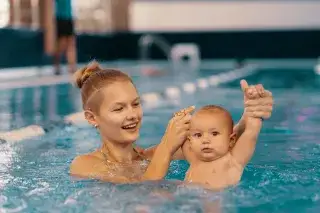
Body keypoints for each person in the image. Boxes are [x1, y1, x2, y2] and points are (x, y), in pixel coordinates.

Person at [69, 61, 274, 183]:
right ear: (91, 118)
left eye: (136, 104)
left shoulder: (151, 156)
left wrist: (251, 114)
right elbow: (144, 189)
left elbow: (222, 146)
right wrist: (167, 145)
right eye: (119, 108)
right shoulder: (84, 165)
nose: (132, 114)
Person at [182, 102, 262, 190]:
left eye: (214, 133)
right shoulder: (194, 158)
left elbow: (251, 132)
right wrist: (181, 117)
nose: (205, 140)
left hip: (218, 199)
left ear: (231, 140)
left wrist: (254, 107)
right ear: (190, 142)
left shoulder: (234, 160)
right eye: (198, 135)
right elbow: (179, 135)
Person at [54, 0, 77, 75]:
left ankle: (72, 66)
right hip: (61, 18)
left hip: (69, 18)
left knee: (71, 43)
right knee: (61, 44)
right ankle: (57, 67)